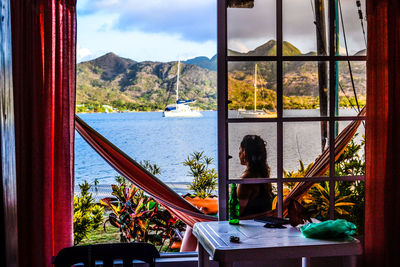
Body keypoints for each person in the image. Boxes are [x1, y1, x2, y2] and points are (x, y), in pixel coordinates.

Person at [237, 135, 273, 216]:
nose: (238, 152)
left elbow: (237, 211)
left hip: (247, 225)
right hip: (262, 224)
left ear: (244, 152)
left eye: (239, 149)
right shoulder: (262, 174)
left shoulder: (246, 180)